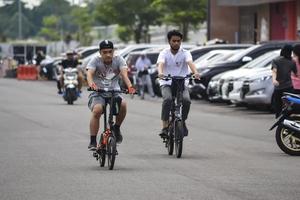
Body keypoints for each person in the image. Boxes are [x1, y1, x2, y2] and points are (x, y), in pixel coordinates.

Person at [86, 40, 136, 151]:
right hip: (98, 92)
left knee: (123, 104)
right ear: (100, 52)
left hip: (114, 91)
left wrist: (130, 87)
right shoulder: (95, 60)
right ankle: (93, 140)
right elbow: (89, 74)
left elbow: (124, 75)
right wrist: (92, 84)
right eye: (105, 52)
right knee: (97, 110)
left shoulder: (119, 60)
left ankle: (116, 128)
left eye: (110, 51)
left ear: (113, 51)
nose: (108, 54)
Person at [156, 30, 200, 138]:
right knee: (167, 100)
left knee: (186, 100)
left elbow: (190, 63)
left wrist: (196, 72)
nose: (176, 43)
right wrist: (160, 73)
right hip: (166, 81)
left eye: (178, 41)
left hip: (181, 82)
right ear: (169, 41)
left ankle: (182, 121)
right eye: (173, 41)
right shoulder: (164, 53)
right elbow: (160, 64)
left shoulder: (185, 52)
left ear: (181, 41)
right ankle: (165, 127)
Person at [271, 44, 297, 118]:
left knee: (278, 104)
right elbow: (296, 73)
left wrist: (274, 80)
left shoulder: (276, 60)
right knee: (289, 103)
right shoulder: (292, 61)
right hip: (289, 86)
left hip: (278, 87)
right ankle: (287, 117)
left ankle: (278, 117)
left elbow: (274, 71)